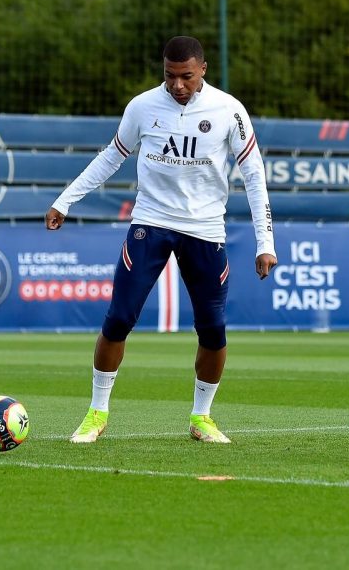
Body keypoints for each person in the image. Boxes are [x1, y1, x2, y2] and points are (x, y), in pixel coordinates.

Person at [46, 36, 277, 444]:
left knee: (213, 329)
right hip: (150, 223)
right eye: (170, 76)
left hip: (205, 230)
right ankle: (96, 414)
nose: (177, 85)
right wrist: (65, 201)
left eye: (186, 76)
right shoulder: (142, 106)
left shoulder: (229, 110)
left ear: (203, 69)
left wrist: (265, 242)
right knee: (119, 318)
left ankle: (201, 417)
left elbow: (254, 175)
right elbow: (112, 156)